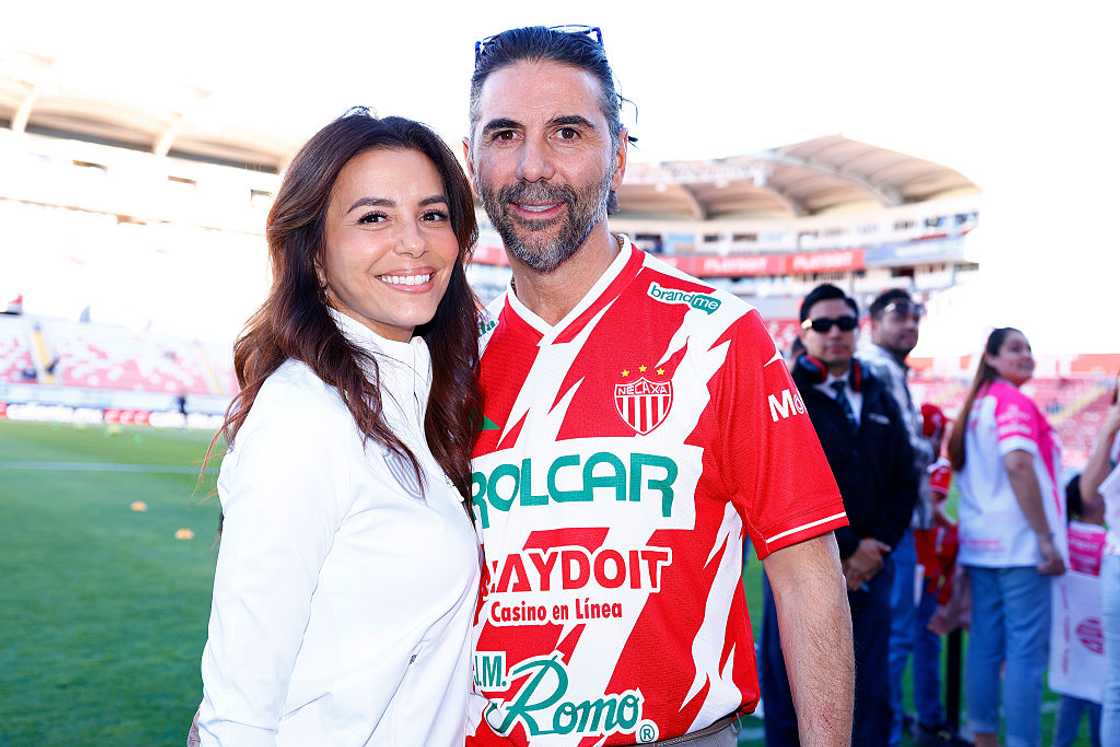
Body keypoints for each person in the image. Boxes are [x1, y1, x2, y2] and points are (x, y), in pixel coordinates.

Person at [463, 25, 853, 747]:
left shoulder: (718, 337)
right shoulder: (451, 362)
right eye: (505, 133)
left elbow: (805, 575)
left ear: (617, 158)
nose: (533, 165)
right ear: (472, 159)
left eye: (568, 133)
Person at [191, 110, 483, 746]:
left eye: (433, 214)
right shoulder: (304, 414)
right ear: (314, 255)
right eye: (373, 217)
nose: (414, 242)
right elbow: (240, 704)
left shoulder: (415, 396)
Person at [761, 283, 918, 746]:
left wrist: (876, 548)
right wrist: (846, 551)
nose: (835, 333)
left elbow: (905, 479)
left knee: (871, 692)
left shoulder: (877, 390)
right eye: (822, 325)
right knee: (792, 692)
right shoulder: (784, 392)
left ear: (857, 329)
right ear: (804, 334)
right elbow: (784, 484)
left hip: (870, 570)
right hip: (802, 573)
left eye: (845, 323)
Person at [946, 327, 1066, 747]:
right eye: (1015, 348)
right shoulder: (1012, 401)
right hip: (1020, 548)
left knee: (985, 647)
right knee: (1024, 656)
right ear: (992, 358)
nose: (1026, 355)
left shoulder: (977, 404)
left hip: (982, 547)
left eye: (1029, 348)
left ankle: (982, 736)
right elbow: (1018, 465)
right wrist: (1046, 538)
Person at [861, 288, 945, 745]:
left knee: (895, 635)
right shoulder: (876, 367)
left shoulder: (890, 370)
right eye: (899, 317)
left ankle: (884, 728)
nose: (910, 325)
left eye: (915, 317)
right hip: (891, 528)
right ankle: (883, 733)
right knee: (892, 638)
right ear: (874, 321)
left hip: (897, 526)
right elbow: (904, 453)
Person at [1080, 376, 1120, 745]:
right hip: (1117, 561)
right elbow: (1088, 492)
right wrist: (1109, 427)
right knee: (1117, 686)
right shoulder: (1115, 428)